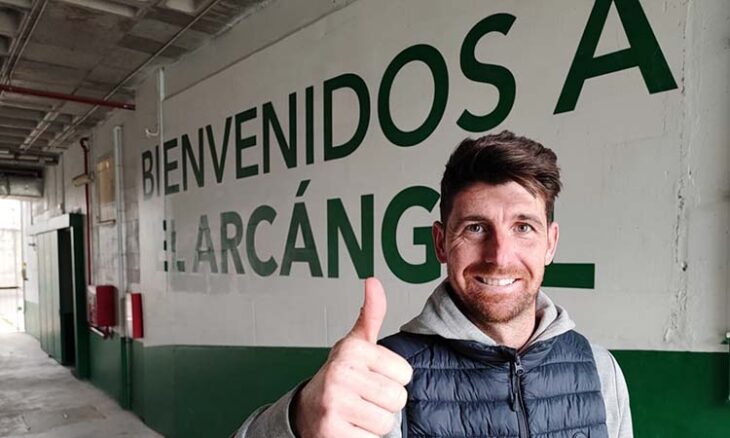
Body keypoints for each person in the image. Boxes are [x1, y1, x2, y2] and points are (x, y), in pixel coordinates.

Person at [234, 131, 633, 438]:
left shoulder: (600, 370)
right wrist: (299, 419)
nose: (499, 255)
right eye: (476, 228)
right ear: (441, 243)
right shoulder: (385, 379)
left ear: (551, 243)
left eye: (524, 227)